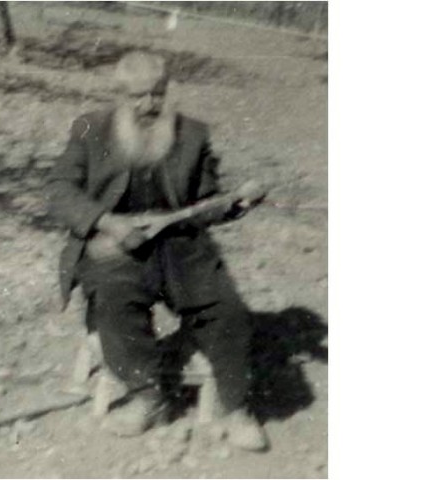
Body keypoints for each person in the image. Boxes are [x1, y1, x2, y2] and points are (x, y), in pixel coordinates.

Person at [48, 51, 267, 451]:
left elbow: (205, 203)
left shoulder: (193, 134)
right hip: (113, 246)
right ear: (119, 95)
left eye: (157, 94)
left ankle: (236, 407)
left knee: (227, 309)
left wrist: (236, 204)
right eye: (138, 96)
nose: (149, 105)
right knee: (114, 300)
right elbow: (60, 192)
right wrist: (107, 222)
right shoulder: (90, 128)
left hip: (179, 245)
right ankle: (147, 398)